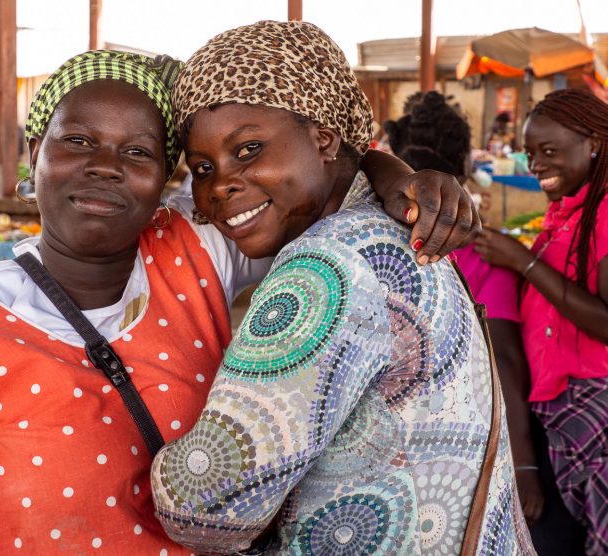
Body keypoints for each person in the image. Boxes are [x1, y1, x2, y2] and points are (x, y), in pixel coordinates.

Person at [0, 49, 477, 555]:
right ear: (33, 153)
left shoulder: (194, 247)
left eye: (138, 152)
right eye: (77, 141)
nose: (105, 167)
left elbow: (311, 183)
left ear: (164, 181)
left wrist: (394, 172)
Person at [150, 21, 532, 555]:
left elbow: (206, 510)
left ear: (324, 139)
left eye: (249, 149)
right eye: (202, 168)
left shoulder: (324, 268)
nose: (219, 186)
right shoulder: (391, 229)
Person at [385, 91, 546, 528]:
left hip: (387, 453)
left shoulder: (373, 243)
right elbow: (506, 365)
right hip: (463, 448)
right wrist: (526, 466)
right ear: (464, 166)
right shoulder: (483, 252)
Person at [475, 88, 608, 555]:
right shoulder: (565, 213)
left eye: (549, 152)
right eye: (530, 154)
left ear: (593, 143)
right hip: (553, 405)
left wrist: (523, 262)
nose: (536, 167)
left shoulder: (605, 216)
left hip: (593, 408)